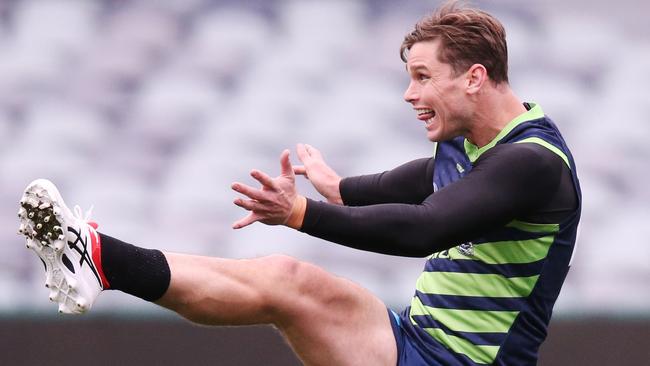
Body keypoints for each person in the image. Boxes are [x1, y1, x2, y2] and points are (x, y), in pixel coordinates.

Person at [17, 2, 581, 365]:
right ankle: (96, 258)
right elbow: (417, 179)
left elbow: (425, 229)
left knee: (289, 285)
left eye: (422, 77)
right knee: (284, 278)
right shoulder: (470, 144)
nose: (409, 94)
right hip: (414, 343)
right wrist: (341, 189)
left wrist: (302, 214)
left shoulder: (531, 162)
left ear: (475, 78)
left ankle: (98, 259)